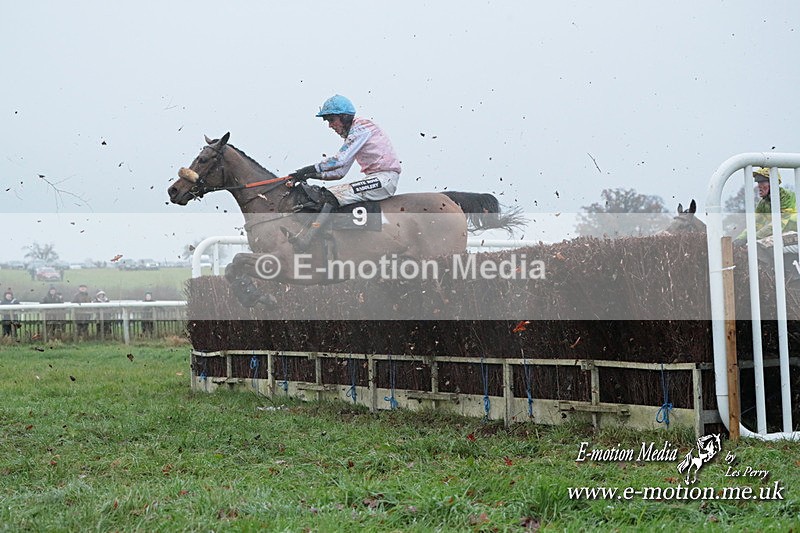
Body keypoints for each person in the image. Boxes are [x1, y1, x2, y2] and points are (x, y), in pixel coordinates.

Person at [289, 94, 402, 249]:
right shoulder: (353, 134)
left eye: (331, 120)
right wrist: (309, 176)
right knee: (326, 194)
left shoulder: (361, 128)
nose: (330, 125)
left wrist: (307, 170)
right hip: (377, 178)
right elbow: (340, 172)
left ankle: (308, 240)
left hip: (384, 179)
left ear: (344, 117)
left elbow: (339, 160)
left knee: (332, 196)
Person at [734, 167, 797, 244]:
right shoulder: (762, 203)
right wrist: (740, 239)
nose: (759, 186)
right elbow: (756, 224)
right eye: (758, 182)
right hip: (784, 236)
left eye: (762, 182)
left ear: (773, 183)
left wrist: (750, 238)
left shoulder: (786, 196)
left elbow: (779, 224)